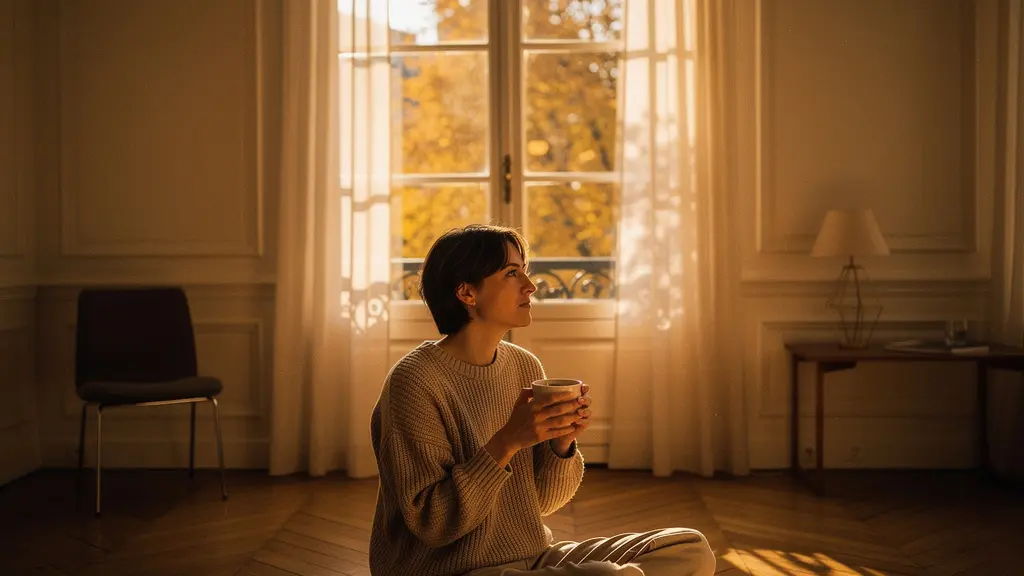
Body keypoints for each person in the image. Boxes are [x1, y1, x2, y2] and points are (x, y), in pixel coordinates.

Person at [368, 224, 716, 576]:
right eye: (512, 273)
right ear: (467, 292)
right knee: (609, 575)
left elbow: (542, 503)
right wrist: (507, 441)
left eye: (526, 272)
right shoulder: (414, 382)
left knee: (689, 548)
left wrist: (561, 446)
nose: (530, 286)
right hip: (450, 570)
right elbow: (433, 524)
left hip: (531, 558)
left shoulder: (523, 365)